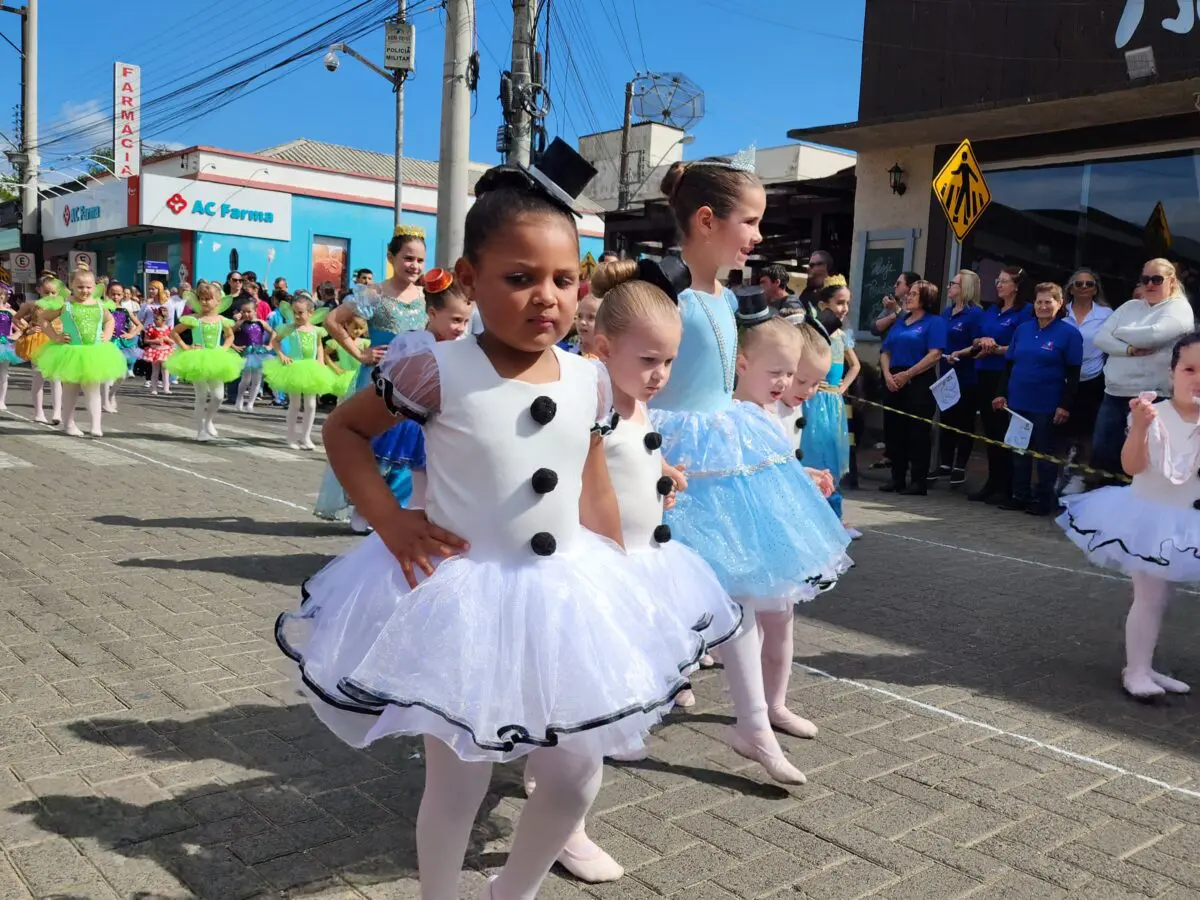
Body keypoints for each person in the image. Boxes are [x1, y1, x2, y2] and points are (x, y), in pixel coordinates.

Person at [277, 143, 719, 900]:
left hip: (565, 592)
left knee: (577, 774)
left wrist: (623, 564)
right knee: (459, 782)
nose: (546, 296)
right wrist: (393, 524)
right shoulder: (434, 367)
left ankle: (511, 890)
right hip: (466, 598)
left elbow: (589, 484)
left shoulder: (588, 378)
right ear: (472, 280)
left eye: (562, 279)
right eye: (520, 279)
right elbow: (346, 432)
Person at [649, 156, 852, 748]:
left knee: (741, 585)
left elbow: (734, 382)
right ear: (708, 221)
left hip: (728, 443)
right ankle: (655, 696)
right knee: (669, 587)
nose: (759, 237)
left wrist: (789, 469)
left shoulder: (725, 299)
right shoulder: (669, 294)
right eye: (752, 222)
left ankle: (758, 714)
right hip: (678, 452)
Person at [1057, 333, 1200, 699]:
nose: (1197, 378)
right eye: (1189, 369)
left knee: (1163, 597)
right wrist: (1139, 425)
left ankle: (1145, 665)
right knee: (1150, 597)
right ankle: (1135, 670)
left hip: (1185, 522)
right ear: (1172, 373)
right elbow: (1131, 464)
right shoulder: (1154, 413)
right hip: (1146, 520)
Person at [318, 225, 428, 527]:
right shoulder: (375, 293)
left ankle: (397, 507)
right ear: (391, 257)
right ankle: (364, 507)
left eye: (419, 260)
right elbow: (332, 320)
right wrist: (359, 353)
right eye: (408, 258)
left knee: (410, 444)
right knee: (374, 442)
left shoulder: (427, 295)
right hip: (380, 378)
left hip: (417, 381)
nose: (414, 266)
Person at [1091, 258, 1194, 483]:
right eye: (1145, 279)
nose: (1149, 285)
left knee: (1143, 458)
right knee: (1103, 451)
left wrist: (1117, 332)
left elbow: (1153, 336)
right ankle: (1103, 505)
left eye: (1156, 279)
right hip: (1114, 393)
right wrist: (1128, 349)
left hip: (1153, 396)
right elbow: (1100, 338)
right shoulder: (1130, 306)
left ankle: (1132, 508)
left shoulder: (1179, 309)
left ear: (1172, 281)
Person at [992, 283, 1083, 515]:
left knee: (1044, 455)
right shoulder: (1022, 329)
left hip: (1047, 405)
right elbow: (1009, 364)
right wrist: (1001, 393)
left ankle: (1044, 500)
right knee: (1019, 451)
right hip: (1018, 402)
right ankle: (1019, 496)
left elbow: (1073, 375)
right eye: (1039, 302)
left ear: (1059, 303)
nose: (1043, 306)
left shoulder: (1069, 334)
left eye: (1048, 302)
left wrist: (1065, 405)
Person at [33, 267, 127, 438]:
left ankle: (96, 425)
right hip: (71, 353)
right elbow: (44, 319)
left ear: (95, 287)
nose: (85, 291)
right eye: (80, 287)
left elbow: (110, 320)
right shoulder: (65, 304)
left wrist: (106, 336)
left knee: (93, 390)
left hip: (94, 353)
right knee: (70, 390)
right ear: (72, 285)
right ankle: (68, 424)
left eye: (89, 287)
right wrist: (55, 337)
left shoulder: (99, 304)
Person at [967, 265, 1034, 503]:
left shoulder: (1025, 312)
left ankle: (1008, 487)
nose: (998, 284)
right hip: (983, 373)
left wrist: (995, 349)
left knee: (1005, 431)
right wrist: (982, 341)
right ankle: (992, 482)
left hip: (1005, 376)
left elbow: (1021, 346)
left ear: (1016, 286)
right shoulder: (993, 309)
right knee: (989, 431)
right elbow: (976, 337)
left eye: (1004, 281)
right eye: (998, 280)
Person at [802, 278, 860, 532]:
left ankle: (834, 518)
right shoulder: (815, 332)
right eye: (839, 302)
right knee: (814, 453)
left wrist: (842, 388)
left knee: (833, 458)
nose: (844, 308)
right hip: (814, 403)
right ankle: (812, 516)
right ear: (824, 304)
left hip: (833, 404)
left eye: (847, 303)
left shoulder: (843, 336)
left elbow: (855, 366)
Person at [879, 279, 946, 495]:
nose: (908, 297)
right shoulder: (901, 322)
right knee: (894, 430)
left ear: (926, 298)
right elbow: (885, 351)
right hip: (894, 380)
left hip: (918, 380)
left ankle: (918, 481)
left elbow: (935, 354)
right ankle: (897, 477)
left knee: (917, 433)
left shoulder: (934, 322)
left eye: (914, 294)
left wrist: (908, 374)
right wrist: (888, 375)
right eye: (909, 294)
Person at [166, 283, 244, 442]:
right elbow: (174, 332)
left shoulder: (222, 320)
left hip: (216, 358)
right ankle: (200, 429)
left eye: (208, 299)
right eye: (202, 299)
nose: (204, 302)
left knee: (218, 396)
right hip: (197, 358)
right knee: (201, 395)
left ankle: (209, 421)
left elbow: (230, 336)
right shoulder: (194, 319)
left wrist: (224, 348)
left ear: (218, 301)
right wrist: (186, 347)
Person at [1061, 268, 1113, 494]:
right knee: (1061, 431)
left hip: (1093, 379)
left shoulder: (1107, 313)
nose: (1083, 287)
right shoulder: (1060, 312)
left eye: (1089, 284)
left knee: (1086, 433)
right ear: (1070, 289)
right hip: (1062, 379)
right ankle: (1058, 474)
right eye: (1078, 284)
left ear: (1096, 289)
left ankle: (1079, 478)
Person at [934, 270, 984, 486]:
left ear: (965, 288)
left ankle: (960, 465)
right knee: (946, 419)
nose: (948, 287)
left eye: (953, 283)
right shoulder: (946, 313)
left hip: (966, 376)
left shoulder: (975, 314)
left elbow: (978, 344)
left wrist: (960, 354)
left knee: (964, 421)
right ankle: (944, 463)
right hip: (946, 375)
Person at [264, 296, 335, 450]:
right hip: (295, 367)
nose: (296, 316)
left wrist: (320, 360)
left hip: (311, 367)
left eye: (300, 313)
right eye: (295, 312)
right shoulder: (289, 328)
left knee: (311, 404)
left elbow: (319, 346)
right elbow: (275, 341)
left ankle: (306, 437)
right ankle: (290, 437)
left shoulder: (316, 331)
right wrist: (281, 355)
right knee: (295, 404)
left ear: (310, 312)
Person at [13, 275, 63, 424]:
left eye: (53, 293)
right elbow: (16, 317)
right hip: (39, 342)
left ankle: (57, 413)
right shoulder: (32, 304)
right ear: (39, 290)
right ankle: (39, 413)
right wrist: (27, 328)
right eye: (46, 292)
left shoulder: (63, 305)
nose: (50, 296)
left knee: (56, 377)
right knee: (39, 377)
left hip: (56, 341)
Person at [232, 300, 275, 412]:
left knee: (257, 380)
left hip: (259, 353)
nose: (246, 314)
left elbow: (273, 332)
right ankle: (239, 398)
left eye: (249, 311)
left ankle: (250, 403)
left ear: (255, 311)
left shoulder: (261, 323)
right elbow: (228, 333)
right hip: (247, 353)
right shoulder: (241, 323)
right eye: (244, 312)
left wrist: (270, 345)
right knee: (246, 379)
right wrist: (234, 346)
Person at [870, 270, 922, 337]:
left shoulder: (919, 307)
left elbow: (911, 323)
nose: (895, 286)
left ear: (910, 286)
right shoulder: (894, 303)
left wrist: (896, 310)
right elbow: (874, 329)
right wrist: (893, 316)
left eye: (898, 283)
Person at [141, 307, 174, 395]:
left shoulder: (169, 329)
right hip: (155, 351)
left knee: (165, 370)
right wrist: (155, 341)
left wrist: (167, 339)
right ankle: (154, 388)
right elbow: (145, 340)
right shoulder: (151, 328)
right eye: (154, 318)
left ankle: (166, 388)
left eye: (157, 319)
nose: (155, 320)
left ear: (164, 319)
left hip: (165, 351)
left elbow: (172, 342)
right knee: (155, 370)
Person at [0, 286, 20, 409]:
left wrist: (14, 336)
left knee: (3, 374)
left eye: (1, 295)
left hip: (4, 345)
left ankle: (1, 400)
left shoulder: (10, 312)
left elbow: (22, 326)